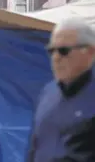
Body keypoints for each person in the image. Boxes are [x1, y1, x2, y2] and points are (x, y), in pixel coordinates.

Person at [27, 18, 95, 162]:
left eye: (63, 51)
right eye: (52, 51)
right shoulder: (48, 94)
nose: (56, 57)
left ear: (90, 52)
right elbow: (34, 149)